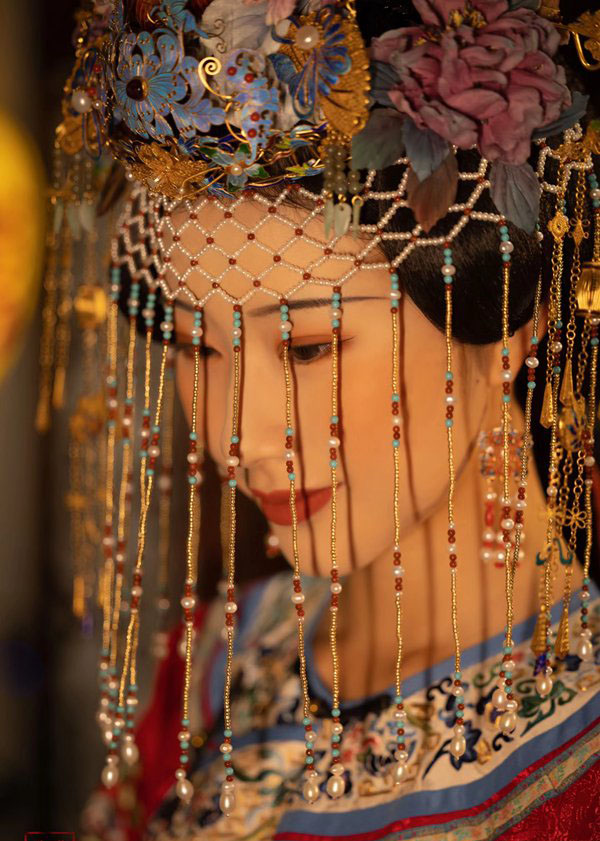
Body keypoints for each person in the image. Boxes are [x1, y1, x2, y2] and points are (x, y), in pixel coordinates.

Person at [41, 0, 599, 838]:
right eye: (193, 346)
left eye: (307, 348)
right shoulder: (216, 661)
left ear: (510, 329)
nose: (238, 436)